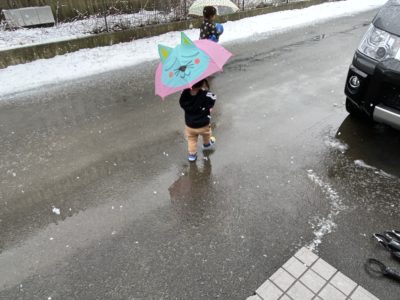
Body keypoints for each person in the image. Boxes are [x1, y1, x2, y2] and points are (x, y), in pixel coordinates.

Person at [179, 79, 216, 162]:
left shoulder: (184, 94)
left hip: (190, 125)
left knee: (192, 140)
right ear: (202, 84)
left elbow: (181, 101)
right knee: (207, 134)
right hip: (204, 124)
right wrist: (205, 91)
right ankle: (206, 143)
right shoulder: (206, 94)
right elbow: (213, 97)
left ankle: (192, 155)